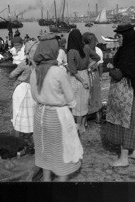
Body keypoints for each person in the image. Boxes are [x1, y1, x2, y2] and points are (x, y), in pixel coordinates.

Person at [30, 35, 82, 181]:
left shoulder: (35, 71)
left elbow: (34, 96)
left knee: (45, 150)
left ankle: (46, 181)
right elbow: (71, 99)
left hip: (40, 114)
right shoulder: (58, 71)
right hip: (57, 116)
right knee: (61, 152)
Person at [104, 23, 135, 167]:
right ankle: (134, 151)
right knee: (134, 121)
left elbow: (118, 74)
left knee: (124, 123)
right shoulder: (134, 48)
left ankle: (123, 158)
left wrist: (110, 68)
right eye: (117, 36)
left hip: (127, 93)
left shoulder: (127, 52)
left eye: (120, 36)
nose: (118, 39)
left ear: (126, 36)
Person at [67, 29, 100, 134]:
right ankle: (83, 126)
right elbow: (97, 57)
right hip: (85, 74)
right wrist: (88, 66)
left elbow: (73, 70)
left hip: (76, 78)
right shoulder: (86, 47)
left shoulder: (71, 51)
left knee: (76, 103)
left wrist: (81, 80)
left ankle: (77, 126)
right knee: (84, 102)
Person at [9, 40, 39, 148]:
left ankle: (17, 144)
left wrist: (18, 76)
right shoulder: (39, 64)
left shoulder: (24, 63)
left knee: (17, 116)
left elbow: (11, 75)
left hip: (22, 91)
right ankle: (35, 143)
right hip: (34, 91)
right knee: (33, 117)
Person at [83, 32, 103, 123]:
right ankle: (94, 116)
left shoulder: (94, 51)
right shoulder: (96, 50)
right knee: (92, 95)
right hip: (93, 74)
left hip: (92, 75)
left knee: (94, 95)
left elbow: (99, 64)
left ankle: (90, 117)